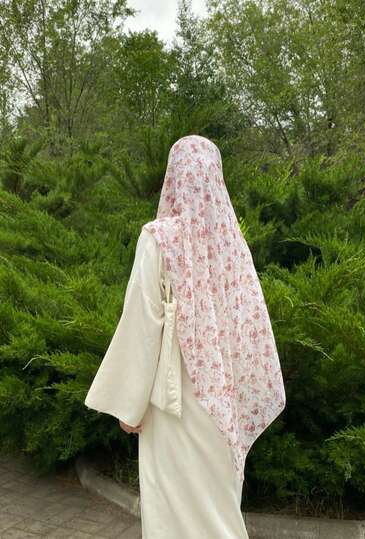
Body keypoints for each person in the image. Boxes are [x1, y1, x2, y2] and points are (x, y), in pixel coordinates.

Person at [84, 134, 286, 538]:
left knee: (172, 513)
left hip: (173, 407)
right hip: (224, 408)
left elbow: (142, 322)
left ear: (173, 177)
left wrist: (130, 407)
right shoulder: (232, 244)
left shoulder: (159, 238)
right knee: (219, 514)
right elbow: (250, 332)